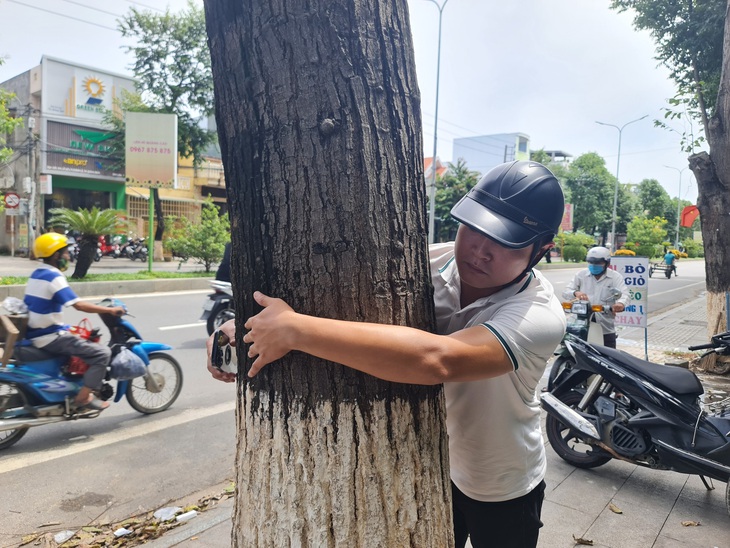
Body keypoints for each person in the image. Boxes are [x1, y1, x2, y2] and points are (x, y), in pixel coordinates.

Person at [206, 160, 567, 547]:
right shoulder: (429, 260)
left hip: (500, 482)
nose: (480, 250)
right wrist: (239, 331)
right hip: (428, 468)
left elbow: (438, 360)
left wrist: (294, 330)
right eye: (474, 229)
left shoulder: (539, 315)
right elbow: (341, 311)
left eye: (504, 241)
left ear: (541, 250)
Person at [24, 232, 125, 410]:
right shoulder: (53, 276)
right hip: (49, 336)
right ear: (56, 255)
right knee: (102, 354)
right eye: (65, 252)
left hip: (36, 331)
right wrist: (109, 310)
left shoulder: (37, 273)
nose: (68, 256)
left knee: (82, 335)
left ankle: (71, 387)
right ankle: (84, 397)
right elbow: (78, 305)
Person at [563, 246, 630, 348]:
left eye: (598, 263)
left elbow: (625, 294)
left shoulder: (615, 277)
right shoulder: (581, 275)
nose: (594, 265)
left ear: (607, 263)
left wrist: (620, 303)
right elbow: (566, 292)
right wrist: (576, 293)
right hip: (580, 322)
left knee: (609, 357)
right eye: (591, 262)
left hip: (604, 323)